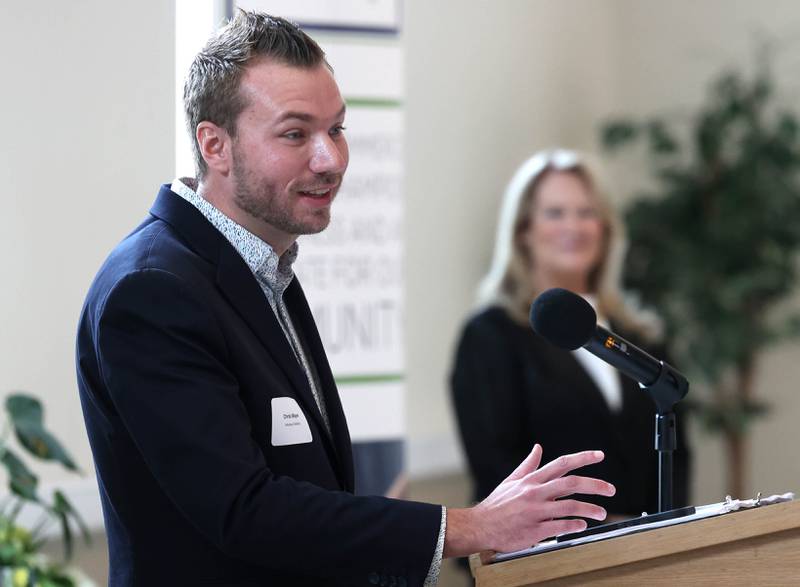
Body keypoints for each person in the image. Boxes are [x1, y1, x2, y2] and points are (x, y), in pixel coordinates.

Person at [76, 14, 615, 587]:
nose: (330, 159)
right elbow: (243, 510)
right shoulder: (154, 290)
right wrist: (469, 526)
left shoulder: (263, 267)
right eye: (295, 133)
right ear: (215, 145)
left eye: (336, 130)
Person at [451, 149, 690, 519]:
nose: (573, 227)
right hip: (542, 558)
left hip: (644, 558)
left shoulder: (639, 333)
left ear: (606, 228)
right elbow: (496, 466)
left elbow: (677, 457)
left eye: (586, 212)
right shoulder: (492, 335)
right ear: (523, 230)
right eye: (555, 213)